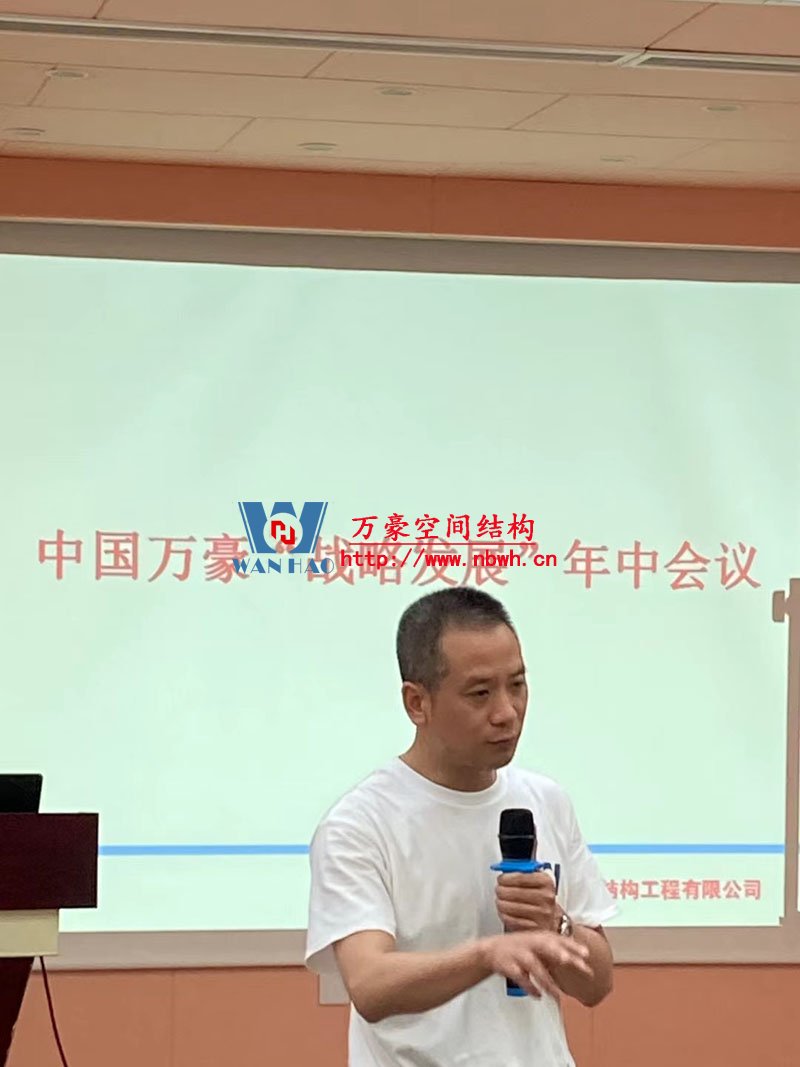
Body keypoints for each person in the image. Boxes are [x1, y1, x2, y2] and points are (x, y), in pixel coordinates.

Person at [305, 586, 617, 1066]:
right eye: (480, 693)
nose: (506, 712)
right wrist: (486, 955)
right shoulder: (360, 824)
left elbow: (596, 984)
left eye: (517, 685)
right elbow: (370, 985)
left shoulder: (546, 801)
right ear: (417, 703)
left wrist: (555, 924)